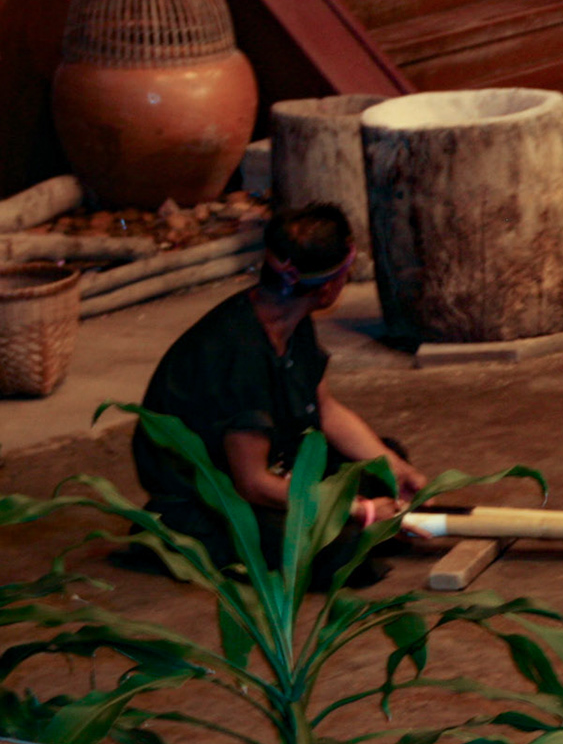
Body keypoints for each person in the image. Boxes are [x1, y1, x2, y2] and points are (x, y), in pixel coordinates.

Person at [133, 203, 427, 585]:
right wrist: (357, 510)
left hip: (275, 466)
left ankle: (361, 516)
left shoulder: (290, 317)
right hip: (214, 498)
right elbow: (251, 483)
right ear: (328, 287)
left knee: (380, 466)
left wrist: (394, 467)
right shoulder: (240, 351)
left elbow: (325, 409)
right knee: (339, 547)